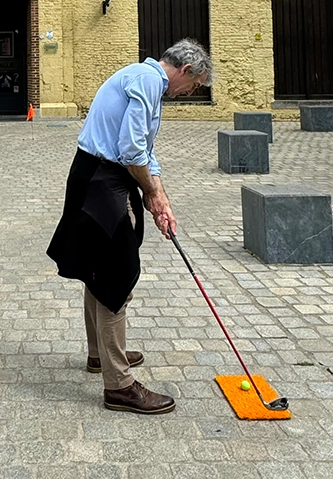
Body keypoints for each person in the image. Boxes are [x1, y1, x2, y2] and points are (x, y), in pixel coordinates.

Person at [47, 38, 213, 416]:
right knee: (115, 276)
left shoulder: (144, 80)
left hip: (103, 177)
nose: (189, 93)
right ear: (185, 71)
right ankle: (119, 385)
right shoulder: (147, 81)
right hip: (102, 180)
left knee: (98, 268)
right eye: (195, 86)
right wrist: (151, 194)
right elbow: (131, 150)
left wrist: (162, 199)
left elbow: (146, 152)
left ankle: (100, 354)